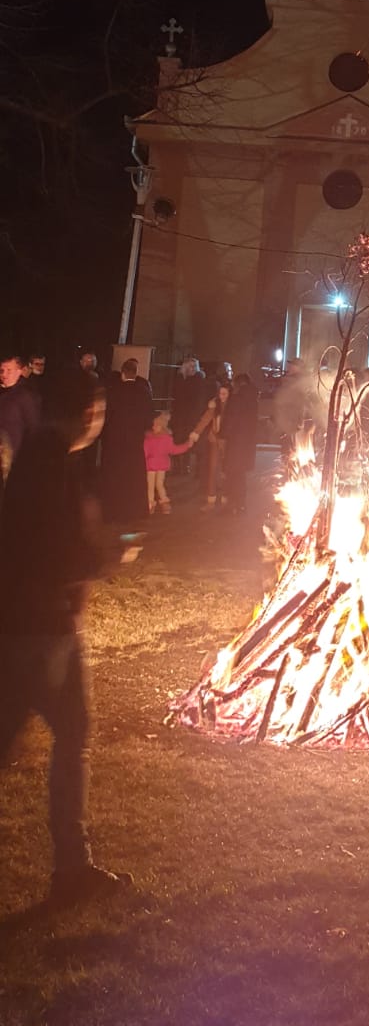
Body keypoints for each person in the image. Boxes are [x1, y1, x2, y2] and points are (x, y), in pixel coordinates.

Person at [0, 372, 136, 903]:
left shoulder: (41, 456)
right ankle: (72, 870)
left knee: (61, 732)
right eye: (98, 412)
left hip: (27, 624)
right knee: (72, 732)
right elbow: (51, 549)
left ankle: (73, 868)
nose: (98, 421)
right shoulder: (50, 464)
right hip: (41, 629)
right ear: (86, 414)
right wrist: (102, 558)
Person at [99, 359, 153, 526]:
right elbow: (148, 416)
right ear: (135, 373)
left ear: (122, 373)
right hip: (134, 441)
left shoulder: (113, 391)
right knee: (134, 475)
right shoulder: (143, 391)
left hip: (114, 441)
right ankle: (135, 511)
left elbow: (106, 416)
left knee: (114, 476)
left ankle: (113, 512)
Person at [0, 351, 42, 484]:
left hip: (13, 461)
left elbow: (34, 428)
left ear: (19, 371)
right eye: (2, 370)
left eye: (9, 370)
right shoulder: (3, 393)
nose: (4, 374)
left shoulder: (25, 396)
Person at [143, 410, 195, 513]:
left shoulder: (165, 439)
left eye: (156, 425)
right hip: (151, 465)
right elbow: (145, 451)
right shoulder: (149, 438)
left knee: (158, 484)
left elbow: (173, 450)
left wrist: (186, 446)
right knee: (151, 485)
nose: (153, 427)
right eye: (154, 425)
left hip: (157, 465)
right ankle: (152, 503)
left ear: (162, 427)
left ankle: (162, 503)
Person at [191, 382, 232, 507]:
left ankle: (225, 495)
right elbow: (205, 419)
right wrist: (196, 432)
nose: (222, 396)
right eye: (220, 393)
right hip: (215, 440)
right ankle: (211, 497)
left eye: (224, 393)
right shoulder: (215, 406)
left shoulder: (233, 407)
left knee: (226, 469)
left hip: (227, 442)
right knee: (213, 469)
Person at [222, 372, 258, 513]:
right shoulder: (253, 399)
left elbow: (230, 419)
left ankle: (232, 504)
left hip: (235, 441)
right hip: (247, 442)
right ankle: (241, 504)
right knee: (240, 474)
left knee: (232, 473)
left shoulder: (236, 399)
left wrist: (223, 434)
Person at [170, 357, 209, 447]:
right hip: (181, 414)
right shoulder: (181, 379)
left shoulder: (198, 380)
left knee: (188, 438)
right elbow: (177, 395)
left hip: (192, 415)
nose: (193, 368)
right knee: (180, 438)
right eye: (191, 366)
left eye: (195, 366)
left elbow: (199, 399)